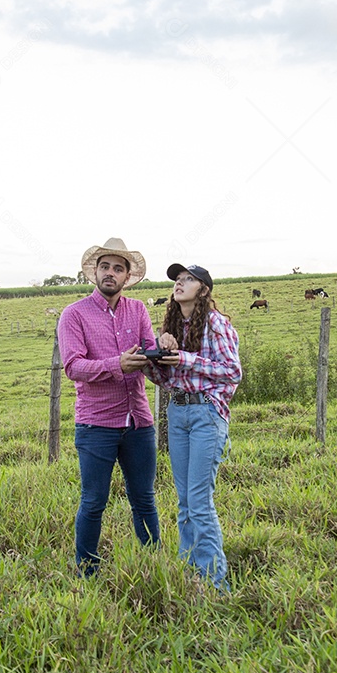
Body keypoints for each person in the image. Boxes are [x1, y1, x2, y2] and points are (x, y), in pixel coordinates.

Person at [57, 237, 161, 576]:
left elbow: (148, 356)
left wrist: (164, 353)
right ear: (94, 273)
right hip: (96, 424)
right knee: (93, 502)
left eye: (118, 268)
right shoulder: (74, 315)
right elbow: (73, 366)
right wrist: (118, 364)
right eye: (105, 267)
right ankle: (87, 571)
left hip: (139, 422)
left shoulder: (138, 310)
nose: (111, 273)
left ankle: (152, 563)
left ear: (127, 277)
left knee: (144, 498)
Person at [144, 263, 241, 591]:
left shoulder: (216, 323)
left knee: (199, 501)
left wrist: (185, 359)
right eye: (177, 279)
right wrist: (152, 359)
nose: (180, 283)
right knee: (184, 501)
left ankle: (216, 583)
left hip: (206, 414)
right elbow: (167, 379)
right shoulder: (172, 326)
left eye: (188, 279)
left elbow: (232, 371)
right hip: (178, 413)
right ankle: (190, 577)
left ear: (203, 290)